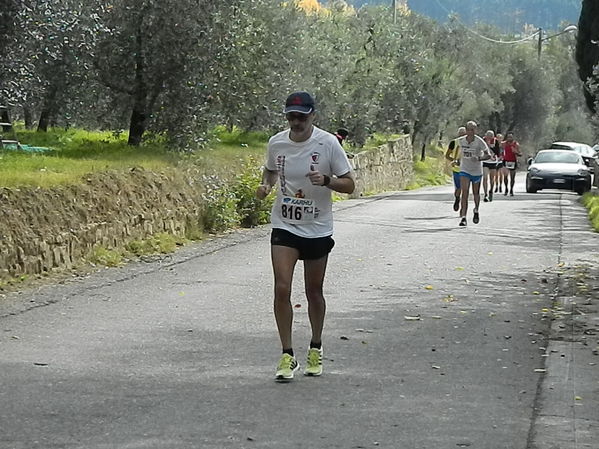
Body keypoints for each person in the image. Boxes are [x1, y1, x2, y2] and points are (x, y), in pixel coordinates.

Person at [256, 91, 355, 381]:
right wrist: (265, 186)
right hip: (285, 224)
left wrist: (327, 180)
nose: (296, 121)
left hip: (317, 227)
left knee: (314, 291)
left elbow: (350, 185)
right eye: (291, 116)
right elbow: (270, 171)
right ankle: (287, 355)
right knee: (282, 287)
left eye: (302, 116)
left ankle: (316, 346)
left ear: (313, 115)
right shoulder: (277, 142)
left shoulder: (327, 144)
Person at [456, 121, 492, 226]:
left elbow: (488, 155)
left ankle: (476, 210)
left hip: (476, 171)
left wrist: (479, 158)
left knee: (476, 193)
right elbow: (458, 153)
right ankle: (463, 217)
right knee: (465, 193)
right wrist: (457, 160)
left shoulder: (479, 141)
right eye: (469, 129)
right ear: (466, 130)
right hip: (464, 170)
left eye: (473, 129)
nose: (471, 132)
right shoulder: (461, 141)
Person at [445, 126, 467, 211]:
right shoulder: (454, 142)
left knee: (465, 188)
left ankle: (463, 207)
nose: (462, 136)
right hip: (457, 169)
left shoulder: (470, 143)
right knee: (458, 188)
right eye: (461, 134)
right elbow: (447, 155)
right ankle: (457, 199)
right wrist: (454, 160)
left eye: (464, 134)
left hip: (467, 169)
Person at [482, 130, 501, 202]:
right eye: (488, 136)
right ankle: (485, 194)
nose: (489, 138)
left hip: (493, 162)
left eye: (491, 136)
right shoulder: (482, 141)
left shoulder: (495, 141)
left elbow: (498, 152)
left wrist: (490, 146)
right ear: (486, 136)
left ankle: (491, 191)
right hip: (485, 161)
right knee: (485, 178)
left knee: (492, 179)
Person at [501, 131, 521, 196]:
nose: (509, 138)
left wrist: (515, 152)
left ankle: (511, 189)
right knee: (505, 176)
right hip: (505, 161)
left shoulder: (516, 144)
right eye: (508, 137)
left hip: (513, 161)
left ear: (513, 137)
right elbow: (500, 151)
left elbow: (520, 154)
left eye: (511, 137)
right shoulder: (503, 144)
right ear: (506, 137)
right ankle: (506, 188)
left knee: (512, 177)